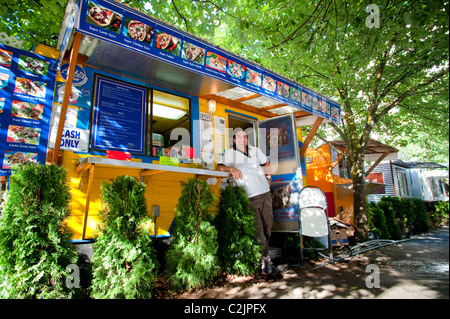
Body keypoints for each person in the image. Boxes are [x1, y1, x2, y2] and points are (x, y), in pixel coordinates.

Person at [217, 129, 278, 275]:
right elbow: (219, 168)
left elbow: (267, 162)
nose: (242, 138)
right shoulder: (230, 154)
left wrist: (269, 177)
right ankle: (267, 260)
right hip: (250, 196)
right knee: (259, 230)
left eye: (244, 136)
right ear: (234, 140)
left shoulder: (256, 150)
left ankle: (263, 257)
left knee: (268, 225)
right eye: (238, 136)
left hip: (265, 193)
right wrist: (231, 168)